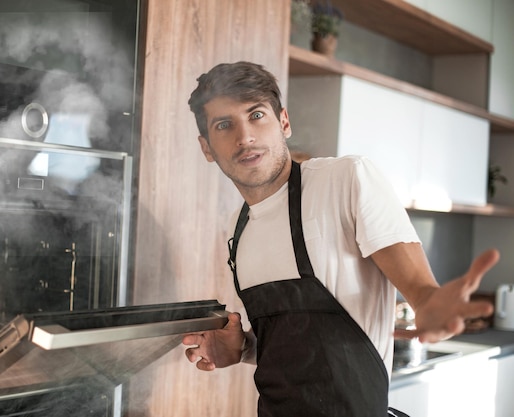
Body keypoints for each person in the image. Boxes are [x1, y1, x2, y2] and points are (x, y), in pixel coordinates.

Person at [181, 61, 499, 417]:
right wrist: (240, 348)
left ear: (283, 122)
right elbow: (295, 344)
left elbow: (421, 291)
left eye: (256, 115)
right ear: (207, 147)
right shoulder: (237, 229)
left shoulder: (346, 181)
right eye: (224, 125)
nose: (245, 137)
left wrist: (431, 303)